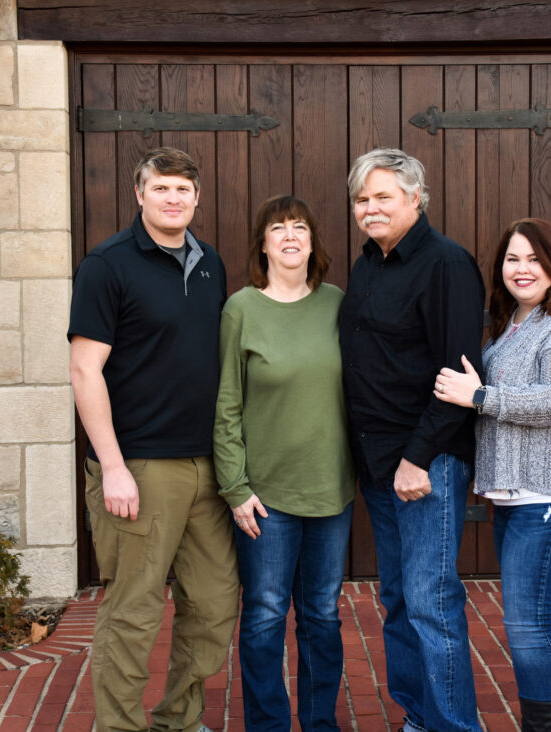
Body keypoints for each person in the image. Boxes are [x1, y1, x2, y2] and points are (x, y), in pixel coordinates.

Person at [68, 147, 239, 732]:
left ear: (196, 198)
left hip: (208, 467)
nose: (172, 199)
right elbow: (85, 371)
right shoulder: (107, 265)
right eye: (160, 188)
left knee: (214, 605)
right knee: (134, 612)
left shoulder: (209, 261)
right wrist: (112, 468)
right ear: (139, 195)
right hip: (140, 466)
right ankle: (117, 726)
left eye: (183, 190)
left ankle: (178, 720)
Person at [434, 218, 551, 732]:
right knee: (549, 614)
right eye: (513, 259)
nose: (521, 269)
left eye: (534, 259)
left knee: (529, 625)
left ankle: (548, 726)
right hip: (522, 497)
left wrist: (479, 397)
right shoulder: (515, 320)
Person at [338, 148, 486, 732]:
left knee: (431, 603)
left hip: (426, 464)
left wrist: (416, 458)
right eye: (361, 199)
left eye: (383, 197)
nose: (370, 209)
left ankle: (455, 726)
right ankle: (420, 718)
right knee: (399, 600)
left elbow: (457, 375)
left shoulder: (446, 264)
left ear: (416, 198)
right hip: (379, 464)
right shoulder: (368, 264)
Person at [214, 195, 356, 731]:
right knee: (266, 617)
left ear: (313, 241)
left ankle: (321, 723)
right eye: (279, 228)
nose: (291, 236)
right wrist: (235, 486)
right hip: (265, 497)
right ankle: (268, 725)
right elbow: (226, 405)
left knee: (321, 615)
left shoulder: (339, 305)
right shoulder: (241, 309)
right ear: (264, 243)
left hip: (330, 490)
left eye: (301, 226)